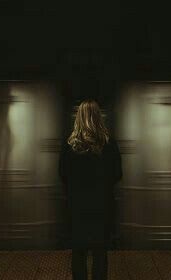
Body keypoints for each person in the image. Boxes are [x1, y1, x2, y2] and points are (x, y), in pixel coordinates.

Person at [58, 99, 122, 280]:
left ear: (78, 118)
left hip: (77, 208)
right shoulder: (109, 144)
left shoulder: (68, 145)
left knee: (78, 254)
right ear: (98, 118)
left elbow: (62, 174)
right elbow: (118, 174)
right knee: (100, 254)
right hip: (102, 208)